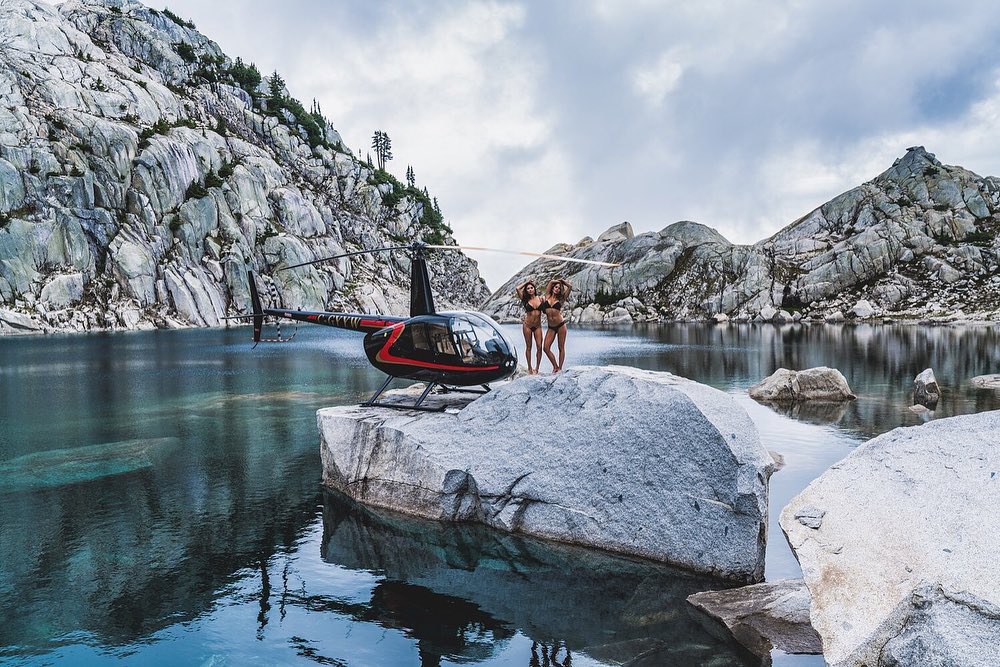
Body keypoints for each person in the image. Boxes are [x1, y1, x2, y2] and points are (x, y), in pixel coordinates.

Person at [542, 278, 571, 373]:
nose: (557, 289)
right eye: (556, 287)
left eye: (559, 288)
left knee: (561, 348)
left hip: (560, 325)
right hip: (551, 327)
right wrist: (559, 280)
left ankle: (560, 369)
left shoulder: (561, 299)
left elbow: (570, 287)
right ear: (553, 288)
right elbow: (550, 282)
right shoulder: (547, 296)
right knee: (546, 348)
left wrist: (563, 281)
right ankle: (555, 366)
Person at [515, 280, 544, 374]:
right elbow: (517, 288)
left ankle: (537, 368)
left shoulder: (540, 299)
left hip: (538, 326)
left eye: (531, 287)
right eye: (528, 288)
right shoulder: (525, 299)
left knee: (539, 347)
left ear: (534, 289)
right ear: (526, 290)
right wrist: (527, 282)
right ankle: (529, 368)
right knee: (529, 347)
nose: (530, 289)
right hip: (527, 325)